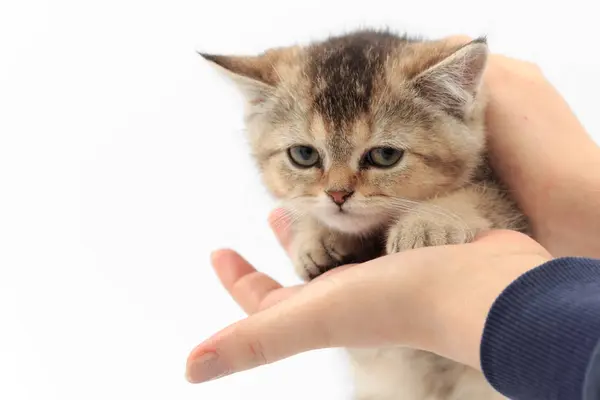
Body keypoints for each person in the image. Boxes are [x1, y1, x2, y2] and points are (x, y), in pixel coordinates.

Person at [185, 43, 600, 400]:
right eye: (305, 156)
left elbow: (488, 203)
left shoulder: (479, 191)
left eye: (382, 155)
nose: (338, 190)